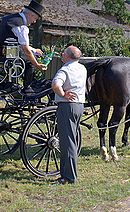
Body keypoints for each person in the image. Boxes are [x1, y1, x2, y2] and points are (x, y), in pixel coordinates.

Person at [0, 0, 47, 90]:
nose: (35, 21)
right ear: (29, 14)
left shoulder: (11, 19)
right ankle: (28, 86)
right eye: (35, 18)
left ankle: (26, 82)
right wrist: (37, 65)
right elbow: (26, 50)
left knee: (30, 54)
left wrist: (34, 50)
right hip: (4, 52)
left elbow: (20, 43)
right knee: (31, 60)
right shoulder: (22, 27)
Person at [51, 46, 87, 184]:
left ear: (66, 56)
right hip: (79, 105)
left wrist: (62, 94)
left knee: (68, 142)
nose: (62, 55)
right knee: (70, 140)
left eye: (63, 53)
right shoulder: (82, 69)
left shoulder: (65, 69)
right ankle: (65, 174)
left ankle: (69, 177)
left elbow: (55, 84)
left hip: (66, 106)